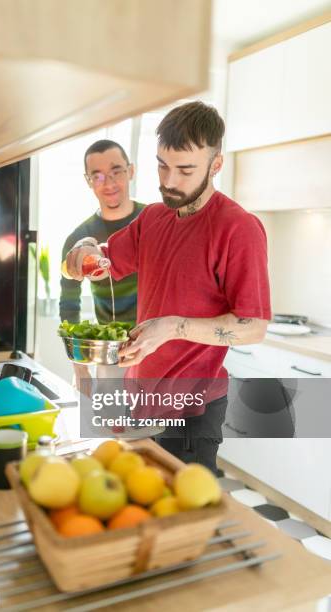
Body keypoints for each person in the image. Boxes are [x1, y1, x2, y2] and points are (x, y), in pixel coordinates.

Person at [65, 101, 271, 473]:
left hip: (192, 410)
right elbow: (104, 262)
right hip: (137, 394)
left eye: (185, 170)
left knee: (182, 517)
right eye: (163, 165)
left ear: (216, 165)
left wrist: (173, 326)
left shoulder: (238, 229)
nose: (169, 181)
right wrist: (85, 250)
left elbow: (253, 327)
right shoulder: (154, 218)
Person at [60, 140, 145, 393]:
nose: (108, 183)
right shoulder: (78, 240)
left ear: (131, 171)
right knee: (113, 429)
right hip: (112, 356)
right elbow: (69, 304)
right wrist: (78, 365)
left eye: (116, 171)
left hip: (160, 351)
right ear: (88, 181)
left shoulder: (154, 223)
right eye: (97, 176)